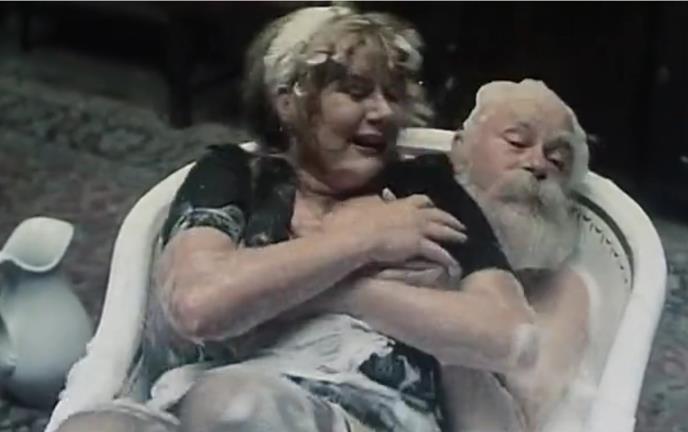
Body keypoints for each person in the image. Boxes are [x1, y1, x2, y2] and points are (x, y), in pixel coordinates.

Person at [55, 6, 540, 432]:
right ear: (288, 101)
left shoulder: (428, 189)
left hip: (365, 411)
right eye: (356, 91)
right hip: (198, 403)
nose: (383, 111)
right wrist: (362, 242)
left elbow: (510, 337)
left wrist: (326, 292)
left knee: (236, 407)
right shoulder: (235, 175)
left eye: (393, 94)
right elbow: (197, 305)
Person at [443, 79, 592, 431]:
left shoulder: (561, 289)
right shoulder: (407, 213)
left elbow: (523, 416)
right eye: (517, 143)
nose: (538, 164)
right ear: (461, 149)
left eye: (557, 160)